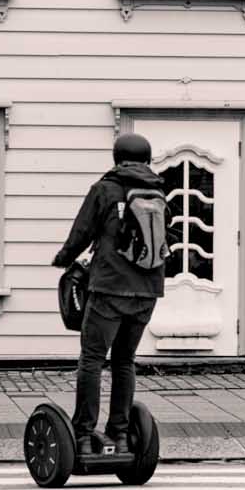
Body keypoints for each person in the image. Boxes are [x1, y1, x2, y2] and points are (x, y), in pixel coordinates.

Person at [52, 132, 166, 455]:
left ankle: (84, 434)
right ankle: (119, 433)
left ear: (117, 157)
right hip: (147, 293)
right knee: (124, 360)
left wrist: (63, 259)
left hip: (109, 290)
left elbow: (81, 233)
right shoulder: (158, 192)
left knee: (92, 358)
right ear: (147, 158)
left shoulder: (104, 189)